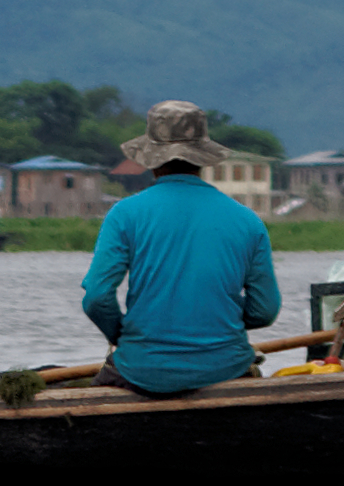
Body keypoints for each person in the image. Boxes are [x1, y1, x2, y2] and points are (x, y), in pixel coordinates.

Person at [80, 101, 282, 393]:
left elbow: (97, 298)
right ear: (202, 158)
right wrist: (214, 324)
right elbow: (265, 311)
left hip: (142, 368)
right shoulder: (247, 221)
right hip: (227, 366)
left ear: (151, 159)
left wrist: (123, 336)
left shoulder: (125, 214)